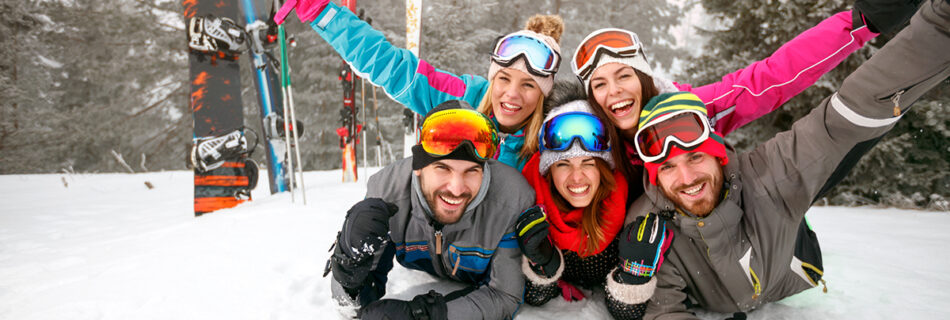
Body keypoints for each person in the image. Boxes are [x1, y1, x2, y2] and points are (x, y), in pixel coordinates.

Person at [622, 1, 949, 318]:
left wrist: (939, 27)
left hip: (780, 243)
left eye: (694, 157)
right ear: (654, 175)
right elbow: (663, 313)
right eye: (667, 167)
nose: (686, 177)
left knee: (855, 128)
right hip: (729, 269)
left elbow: (837, 110)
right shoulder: (648, 231)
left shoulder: (767, 176)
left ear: (717, 153)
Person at [571, 0, 922, 188]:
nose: (614, 91)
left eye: (623, 76)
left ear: (644, 78)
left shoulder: (691, 113)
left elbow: (771, 76)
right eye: (600, 85)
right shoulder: (580, 137)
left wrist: (859, 22)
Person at [275, 0, 564, 170]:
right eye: (503, 79)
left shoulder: (555, 137)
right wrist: (324, 14)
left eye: (528, 85)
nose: (512, 94)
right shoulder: (467, 98)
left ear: (543, 93)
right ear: (492, 79)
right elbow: (395, 68)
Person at [325, 100, 535, 320]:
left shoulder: (510, 199)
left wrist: (427, 315)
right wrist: (349, 270)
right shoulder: (387, 191)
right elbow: (353, 306)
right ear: (418, 167)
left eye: (471, 171)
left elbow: (504, 295)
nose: (456, 188)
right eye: (442, 168)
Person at [515, 85, 674, 319]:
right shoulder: (531, 207)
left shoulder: (629, 208)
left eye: (588, 163)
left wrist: (634, 277)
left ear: (603, 169)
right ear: (548, 171)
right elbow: (534, 300)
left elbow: (626, 315)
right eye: (563, 164)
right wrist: (542, 267)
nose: (576, 177)